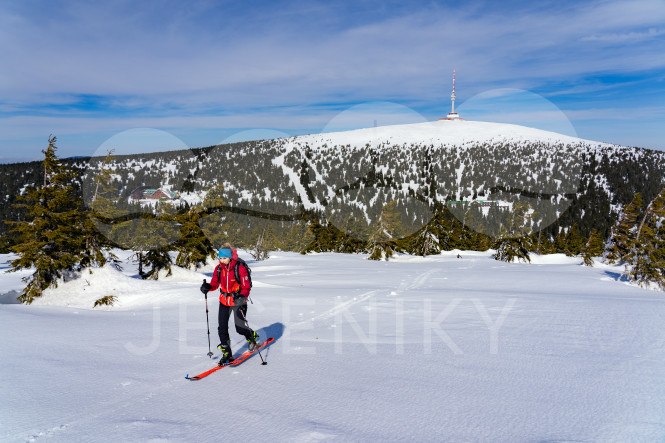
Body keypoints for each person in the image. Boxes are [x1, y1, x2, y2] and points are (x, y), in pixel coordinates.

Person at [200, 244, 259, 365]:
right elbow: (215, 283)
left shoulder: (240, 268)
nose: (222, 260)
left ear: (230, 258)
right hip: (224, 301)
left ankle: (251, 336)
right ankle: (227, 353)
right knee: (222, 328)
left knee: (240, 327)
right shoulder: (218, 269)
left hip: (238, 301)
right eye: (220, 258)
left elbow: (246, 286)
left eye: (224, 258)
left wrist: (242, 297)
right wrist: (208, 287)